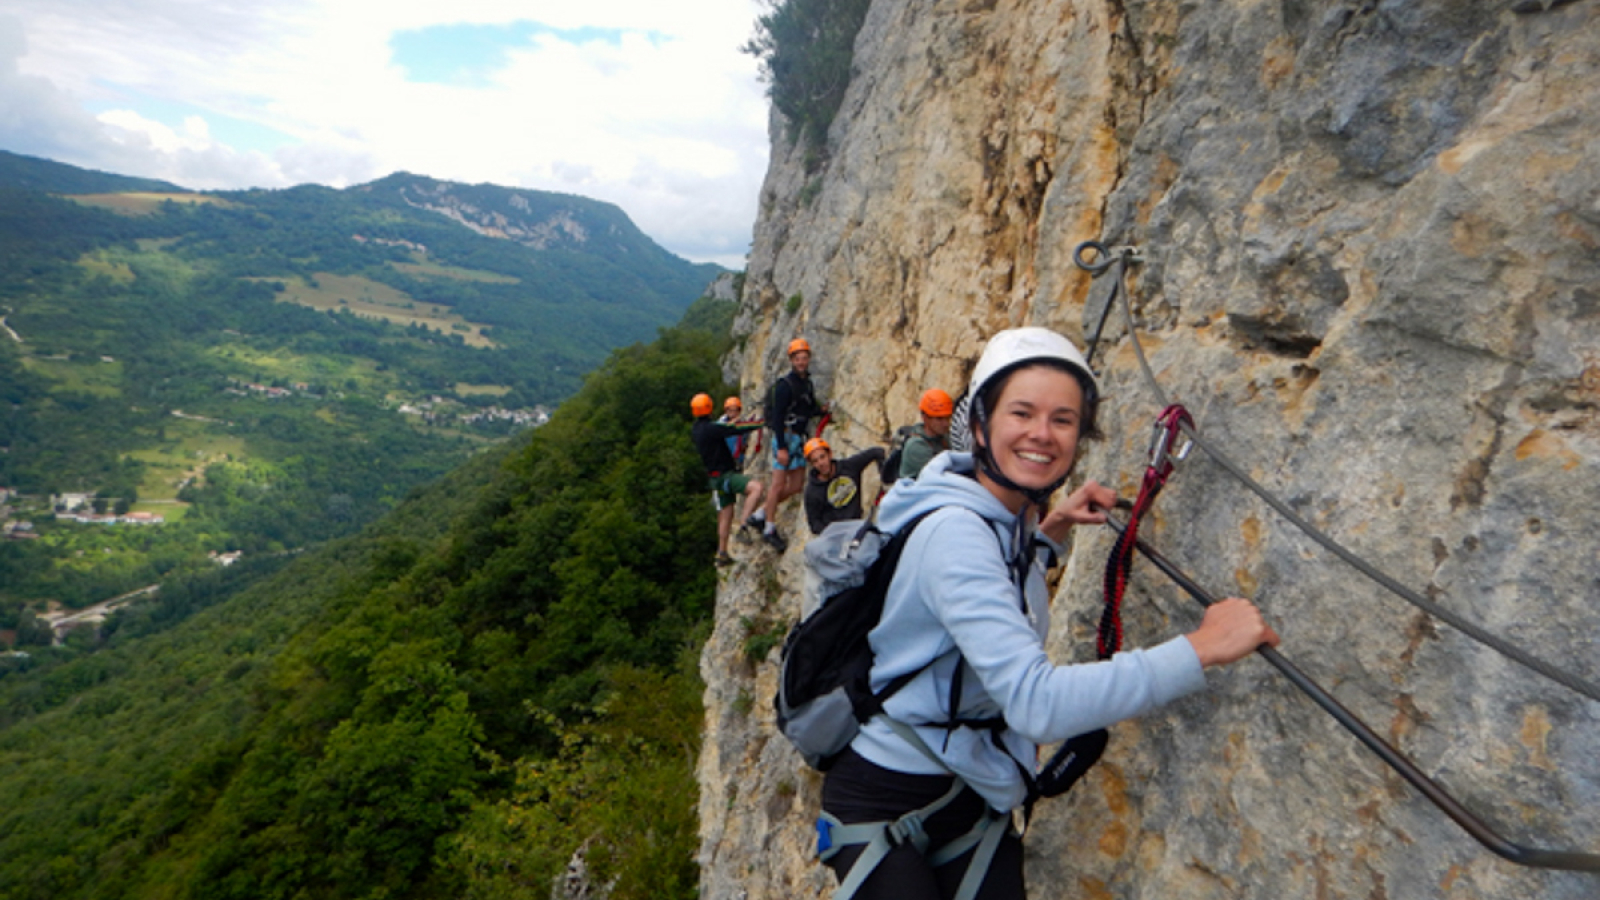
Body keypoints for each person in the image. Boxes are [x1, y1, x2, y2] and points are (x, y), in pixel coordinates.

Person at [817, 327, 1279, 899]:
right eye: (1023, 412)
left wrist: (1050, 532)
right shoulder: (958, 533)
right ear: (981, 424)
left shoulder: (994, 511)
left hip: (965, 785)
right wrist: (1203, 647)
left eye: (1063, 419)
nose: (1043, 433)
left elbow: (980, 588)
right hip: (886, 792)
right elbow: (1037, 705)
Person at [752, 337, 824, 553]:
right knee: (777, 485)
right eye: (798, 359)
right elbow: (777, 418)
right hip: (784, 437)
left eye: (804, 358)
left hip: (797, 439)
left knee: (795, 485)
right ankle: (769, 529)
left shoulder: (806, 384)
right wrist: (781, 447)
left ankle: (760, 514)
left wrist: (822, 411)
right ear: (792, 360)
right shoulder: (785, 386)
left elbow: (807, 409)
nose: (802, 362)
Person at [689, 393, 765, 566]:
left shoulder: (696, 429)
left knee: (726, 514)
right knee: (756, 488)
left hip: (715, 479)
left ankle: (721, 552)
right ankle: (745, 524)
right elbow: (735, 428)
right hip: (726, 475)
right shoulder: (711, 428)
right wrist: (760, 423)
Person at [802, 437, 886, 535]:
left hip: (858, 525)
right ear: (812, 464)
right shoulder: (812, 492)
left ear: (830, 454)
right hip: (837, 536)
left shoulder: (849, 467)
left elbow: (877, 452)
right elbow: (814, 524)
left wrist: (884, 475)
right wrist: (833, 533)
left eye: (822, 457)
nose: (821, 463)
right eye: (815, 461)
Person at [897, 388, 954, 481]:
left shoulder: (944, 437)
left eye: (948, 418)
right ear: (925, 418)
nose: (946, 423)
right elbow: (940, 476)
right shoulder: (916, 446)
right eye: (939, 419)